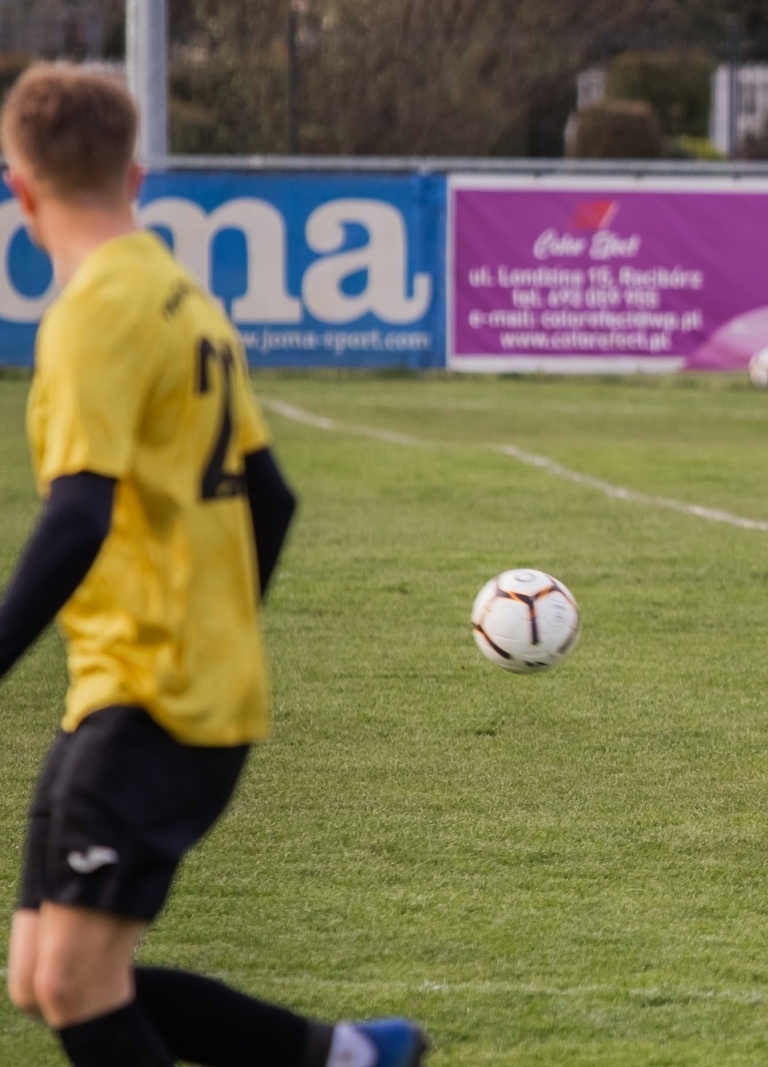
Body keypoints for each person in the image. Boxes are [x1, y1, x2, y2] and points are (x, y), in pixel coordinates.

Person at [0, 65, 428, 1066]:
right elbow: (270, 497)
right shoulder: (182, 296)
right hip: (149, 684)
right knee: (41, 974)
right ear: (135, 175)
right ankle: (346, 1054)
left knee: (76, 984)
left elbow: (78, 514)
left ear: (19, 188)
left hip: (150, 692)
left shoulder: (92, 311)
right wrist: (220, 633)